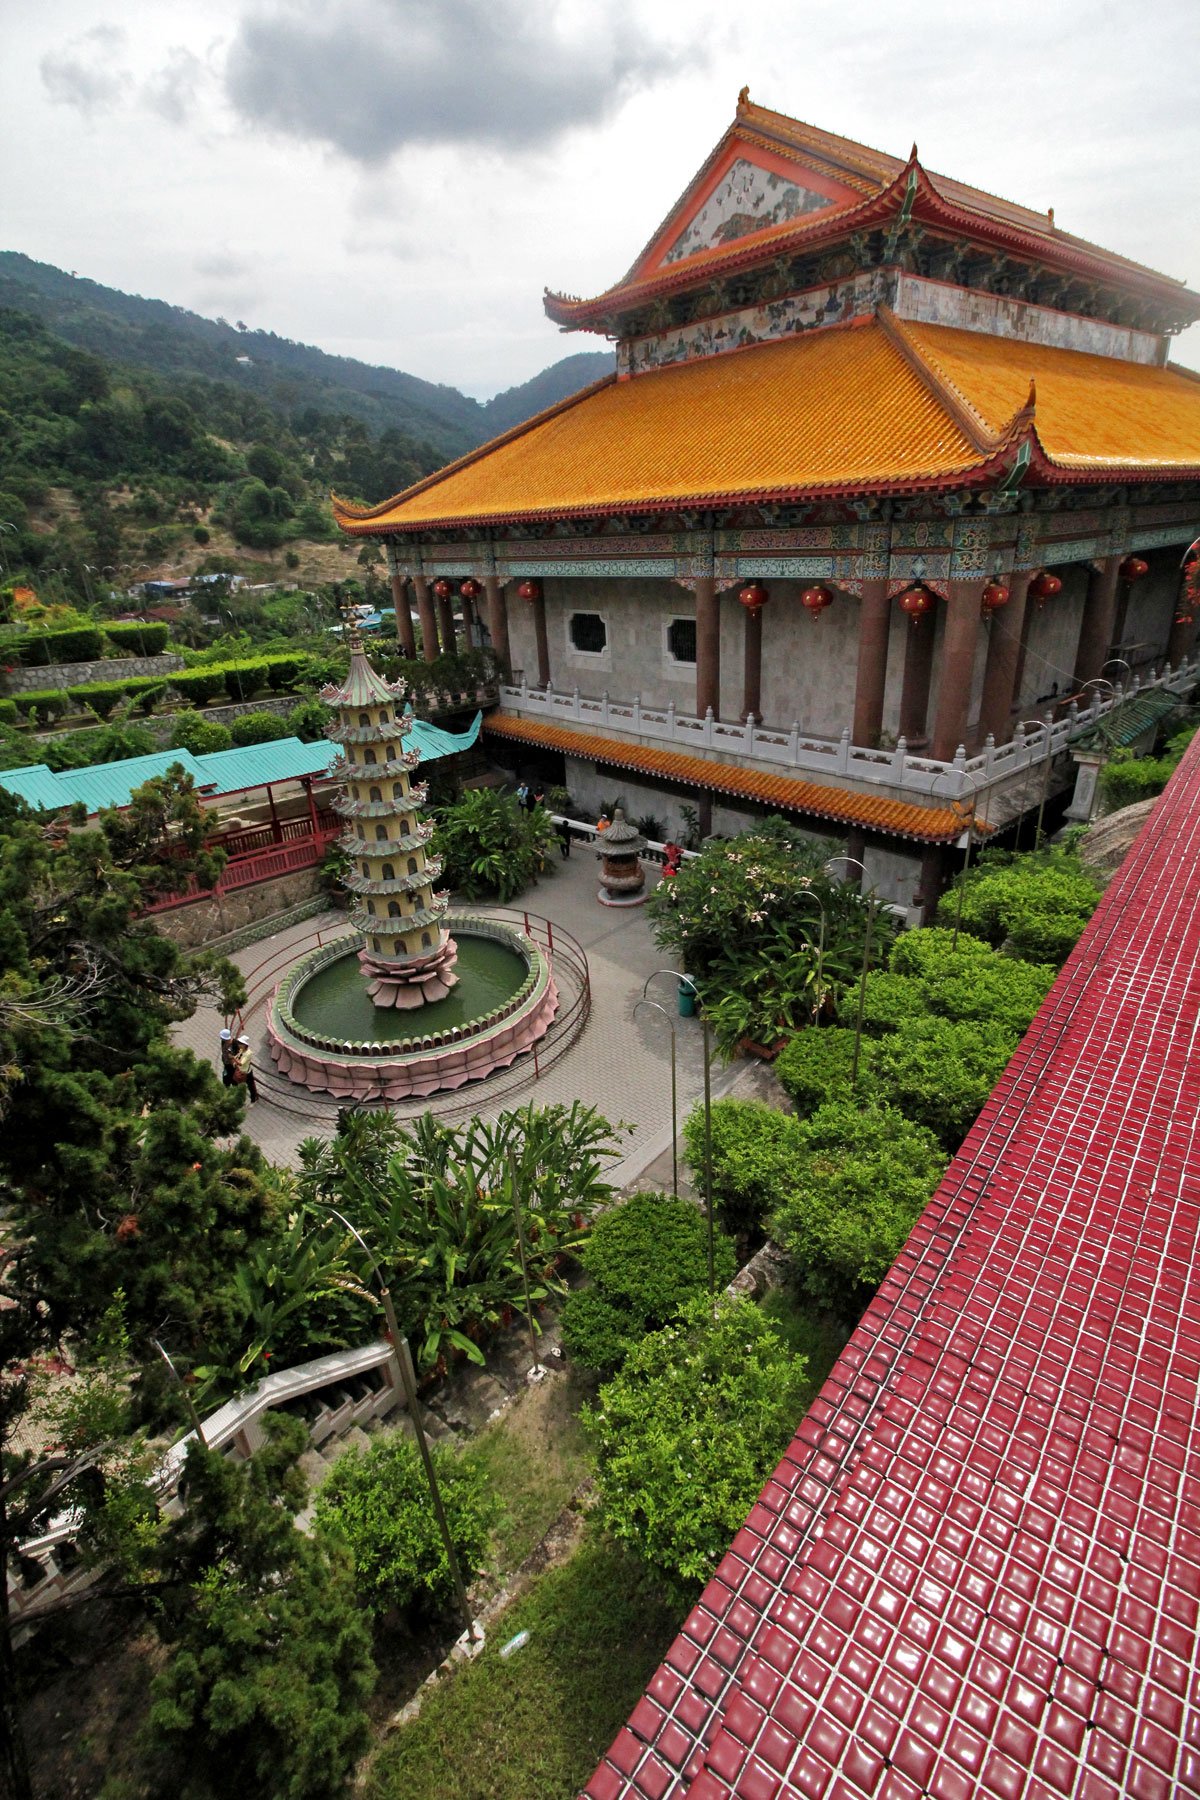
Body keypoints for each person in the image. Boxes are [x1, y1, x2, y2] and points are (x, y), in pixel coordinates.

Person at [233, 1034, 259, 1103]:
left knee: (251, 1087)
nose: (239, 1045)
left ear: (245, 1045)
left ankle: (253, 1099)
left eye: (240, 1043)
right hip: (240, 1071)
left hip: (246, 1073)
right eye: (239, 1043)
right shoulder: (241, 1050)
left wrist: (233, 1058)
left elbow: (241, 1063)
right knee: (240, 1084)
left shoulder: (248, 1053)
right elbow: (238, 1057)